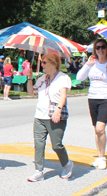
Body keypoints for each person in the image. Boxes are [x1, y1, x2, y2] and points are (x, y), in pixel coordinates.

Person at [27, 54, 74, 182]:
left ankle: (67, 164)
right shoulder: (42, 78)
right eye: (42, 62)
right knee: (39, 144)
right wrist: (30, 78)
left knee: (56, 145)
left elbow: (63, 96)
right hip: (39, 116)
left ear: (53, 63)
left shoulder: (62, 78)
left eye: (45, 62)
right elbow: (31, 93)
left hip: (54, 115)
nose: (42, 64)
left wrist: (58, 110)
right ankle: (39, 171)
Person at [76, 39, 107, 170]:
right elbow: (79, 78)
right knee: (96, 129)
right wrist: (87, 65)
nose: (100, 50)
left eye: (103, 47)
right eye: (98, 48)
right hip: (93, 98)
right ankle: (100, 157)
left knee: (100, 128)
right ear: (95, 50)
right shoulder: (92, 63)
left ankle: (103, 158)